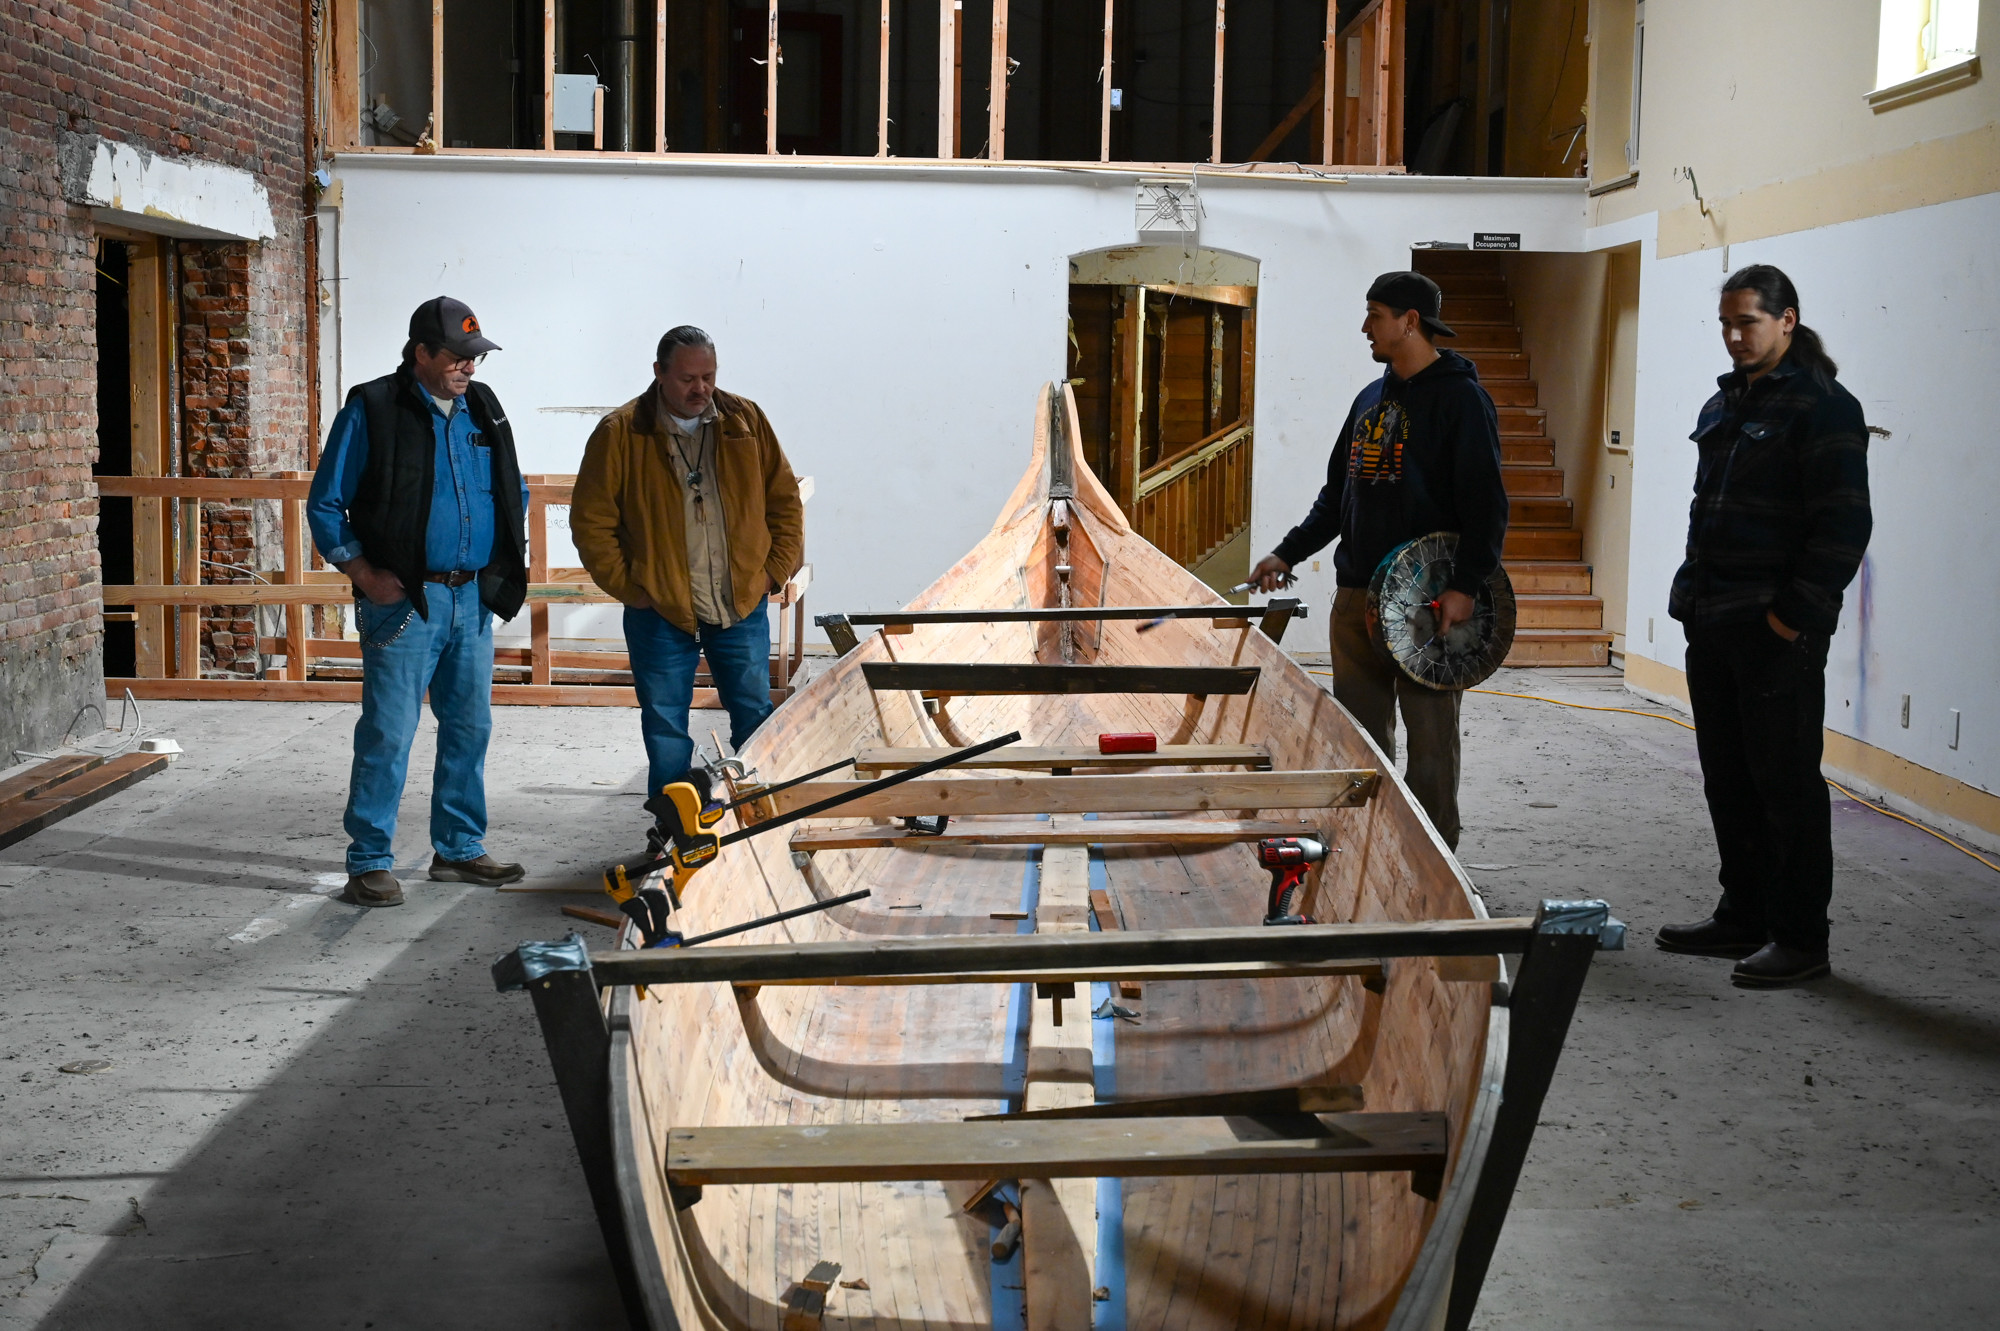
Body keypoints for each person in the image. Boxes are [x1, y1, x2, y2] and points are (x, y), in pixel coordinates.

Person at [1656, 265, 1871, 989]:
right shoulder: (1728, 402)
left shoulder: (1822, 406)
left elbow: (1843, 526)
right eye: (1726, 323)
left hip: (1772, 632)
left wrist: (1789, 620)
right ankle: (1743, 913)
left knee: (1785, 788)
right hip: (1712, 621)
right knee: (1729, 780)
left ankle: (1801, 936)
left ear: (1787, 320)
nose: (1733, 336)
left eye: (1747, 321)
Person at [1249, 271, 1508, 850]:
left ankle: (1434, 864)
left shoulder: (1462, 400)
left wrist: (1466, 586)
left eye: (1375, 314)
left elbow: (1487, 505)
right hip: (1358, 594)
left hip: (1429, 603)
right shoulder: (1370, 398)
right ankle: (1366, 856)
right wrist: (1286, 552)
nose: (1366, 326)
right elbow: (1338, 497)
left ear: (1410, 320)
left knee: (1431, 743)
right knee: (1360, 741)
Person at [307, 297, 532, 906]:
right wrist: (364, 572)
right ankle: (369, 859)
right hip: (404, 601)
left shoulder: (481, 410)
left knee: (469, 726)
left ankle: (458, 849)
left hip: (470, 601)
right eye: (457, 357)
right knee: (389, 731)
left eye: (474, 357)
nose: (468, 368)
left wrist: (500, 561)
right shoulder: (373, 408)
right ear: (421, 353)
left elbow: (515, 489)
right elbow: (326, 503)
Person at [570, 326, 804, 824]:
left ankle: (760, 818)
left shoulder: (745, 421)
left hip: (740, 603)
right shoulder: (621, 433)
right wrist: (635, 590)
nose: (700, 389)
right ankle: (676, 829)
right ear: (658, 374)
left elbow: (784, 500)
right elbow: (591, 524)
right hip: (661, 612)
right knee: (665, 726)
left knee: (755, 717)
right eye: (687, 379)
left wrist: (772, 574)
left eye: (708, 376)